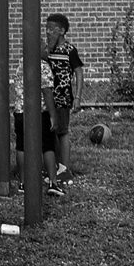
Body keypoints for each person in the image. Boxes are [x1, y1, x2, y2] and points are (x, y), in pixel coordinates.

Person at [12, 49, 65, 197]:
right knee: (47, 146)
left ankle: (23, 182)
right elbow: (47, 91)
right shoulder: (42, 66)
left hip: (21, 111)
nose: (47, 50)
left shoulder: (21, 64)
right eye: (44, 46)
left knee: (21, 145)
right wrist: (53, 115)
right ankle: (53, 182)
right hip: (39, 112)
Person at [45, 13, 84, 185]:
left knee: (62, 131)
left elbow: (79, 72)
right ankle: (55, 166)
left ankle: (65, 168)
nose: (48, 32)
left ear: (62, 31)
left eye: (52, 29)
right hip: (47, 98)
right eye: (46, 28)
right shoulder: (47, 49)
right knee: (50, 131)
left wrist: (78, 97)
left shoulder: (69, 50)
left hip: (62, 97)